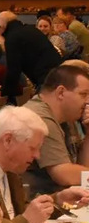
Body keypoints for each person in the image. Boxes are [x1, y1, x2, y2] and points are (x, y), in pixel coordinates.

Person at [24, 65, 89, 194]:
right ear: (60, 92)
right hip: (37, 202)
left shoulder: (66, 115)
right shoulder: (39, 118)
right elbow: (64, 175)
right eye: (84, 94)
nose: (87, 102)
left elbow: (81, 169)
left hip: (59, 198)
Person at [0, 11, 61, 98]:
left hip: (47, 81)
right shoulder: (31, 29)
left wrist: (4, 94)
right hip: (57, 74)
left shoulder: (12, 37)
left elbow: (14, 70)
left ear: (1, 27)